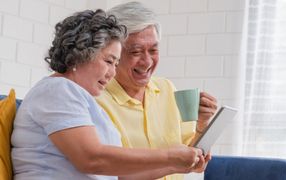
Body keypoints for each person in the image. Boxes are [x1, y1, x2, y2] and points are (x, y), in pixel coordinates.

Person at [11, 9, 208, 180]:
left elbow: (119, 174)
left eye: (115, 63)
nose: (113, 72)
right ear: (83, 53)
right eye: (109, 61)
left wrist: (179, 165)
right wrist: (169, 156)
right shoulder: (57, 90)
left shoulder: (81, 98)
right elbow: (91, 158)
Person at [96, 2, 218, 179]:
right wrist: (173, 163)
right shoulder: (98, 100)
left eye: (153, 50)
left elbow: (194, 160)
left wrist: (202, 125)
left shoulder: (166, 89)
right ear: (112, 53)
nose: (147, 61)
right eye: (136, 51)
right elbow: (110, 175)